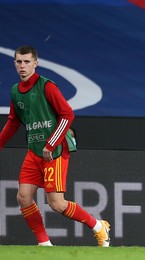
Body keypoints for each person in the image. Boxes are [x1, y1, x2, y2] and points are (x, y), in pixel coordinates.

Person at [0, 46, 110, 246]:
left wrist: (51, 144)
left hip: (55, 151)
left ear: (36, 63)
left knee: (56, 204)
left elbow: (67, 114)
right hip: (34, 150)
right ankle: (44, 244)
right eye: (19, 62)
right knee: (23, 197)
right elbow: (13, 121)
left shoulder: (47, 86)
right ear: (14, 63)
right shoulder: (15, 91)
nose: (22, 66)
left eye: (26, 61)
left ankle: (98, 226)